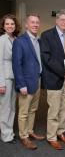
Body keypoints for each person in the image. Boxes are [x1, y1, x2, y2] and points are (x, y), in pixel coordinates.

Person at [40, 9, 65, 150]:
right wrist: (63, 72)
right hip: (54, 79)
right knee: (54, 110)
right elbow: (47, 59)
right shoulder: (46, 35)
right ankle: (51, 136)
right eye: (62, 20)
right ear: (56, 21)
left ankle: (61, 132)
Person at [12, 14, 45, 150]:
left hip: (37, 81)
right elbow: (16, 65)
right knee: (24, 112)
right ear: (26, 25)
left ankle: (30, 131)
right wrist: (21, 84)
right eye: (32, 22)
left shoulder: (39, 40)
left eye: (37, 22)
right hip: (26, 83)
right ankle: (24, 136)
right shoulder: (20, 41)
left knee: (33, 109)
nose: (35, 25)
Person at [0, 14, 20, 144]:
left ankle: (10, 132)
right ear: (3, 26)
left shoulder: (16, 39)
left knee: (12, 107)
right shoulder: (2, 39)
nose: (10, 26)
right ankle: (5, 135)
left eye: (12, 24)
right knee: (5, 107)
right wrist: (1, 83)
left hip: (15, 76)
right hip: (5, 77)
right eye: (7, 24)